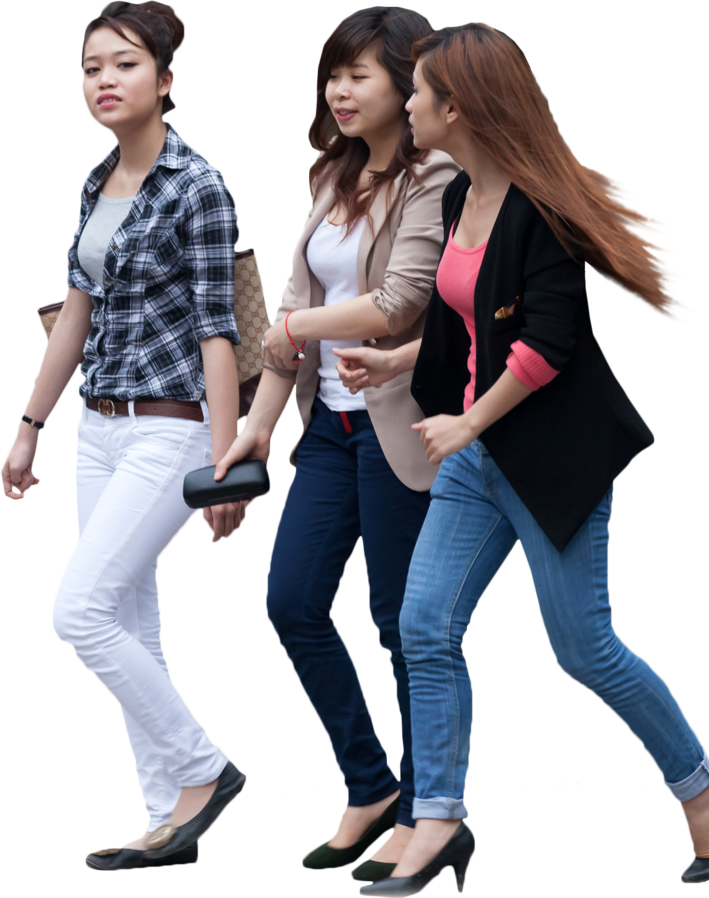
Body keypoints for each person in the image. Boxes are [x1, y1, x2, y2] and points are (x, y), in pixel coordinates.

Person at [332, 22, 709, 895]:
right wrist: (401, 362)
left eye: (419, 90)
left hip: (550, 457)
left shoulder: (540, 211)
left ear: (460, 106)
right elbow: (470, 320)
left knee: (584, 649)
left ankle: (702, 787)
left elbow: (547, 346)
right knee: (423, 625)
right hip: (479, 456)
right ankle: (439, 819)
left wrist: (465, 421)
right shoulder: (458, 201)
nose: (406, 102)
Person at [211, 6, 461, 884]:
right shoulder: (331, 174)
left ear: (408, 80)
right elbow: (290, 317)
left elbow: (395, 302)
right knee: (290, 602)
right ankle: (370, 783)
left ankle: (432, 812)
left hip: (404, 427)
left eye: (359, 73)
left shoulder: (439, 177)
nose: (339, 89)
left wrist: (293, 329)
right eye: (333, 73)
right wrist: (251, 431)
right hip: (328, 430)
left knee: (402, 624)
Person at [0, 1, 248, 871]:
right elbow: (73, 315)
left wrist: (234, 460)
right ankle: (162, 821)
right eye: (91, 67)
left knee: (79, 612)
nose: (104, 80)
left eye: (125, 65)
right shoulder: (93, 182)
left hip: (170, 435)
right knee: (131, 624)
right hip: (95, 433)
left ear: (167, 81)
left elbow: (222, 333)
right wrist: (31, 426)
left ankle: (204, 768)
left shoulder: (199, 186)